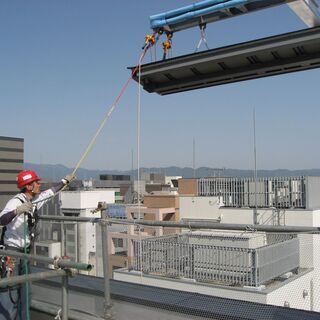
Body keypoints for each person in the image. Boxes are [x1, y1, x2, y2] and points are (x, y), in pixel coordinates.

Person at [0, 169, 75, 320]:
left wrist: (64, 182)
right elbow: (2, 220)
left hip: (25, 251)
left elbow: (51, 192)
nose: (39, 184)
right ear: (28, 186)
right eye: (36, 182)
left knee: (25, 291)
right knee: (11, 291)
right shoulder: (15, 202)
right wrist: (17, 211)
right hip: (12, 253)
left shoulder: (35, 200)